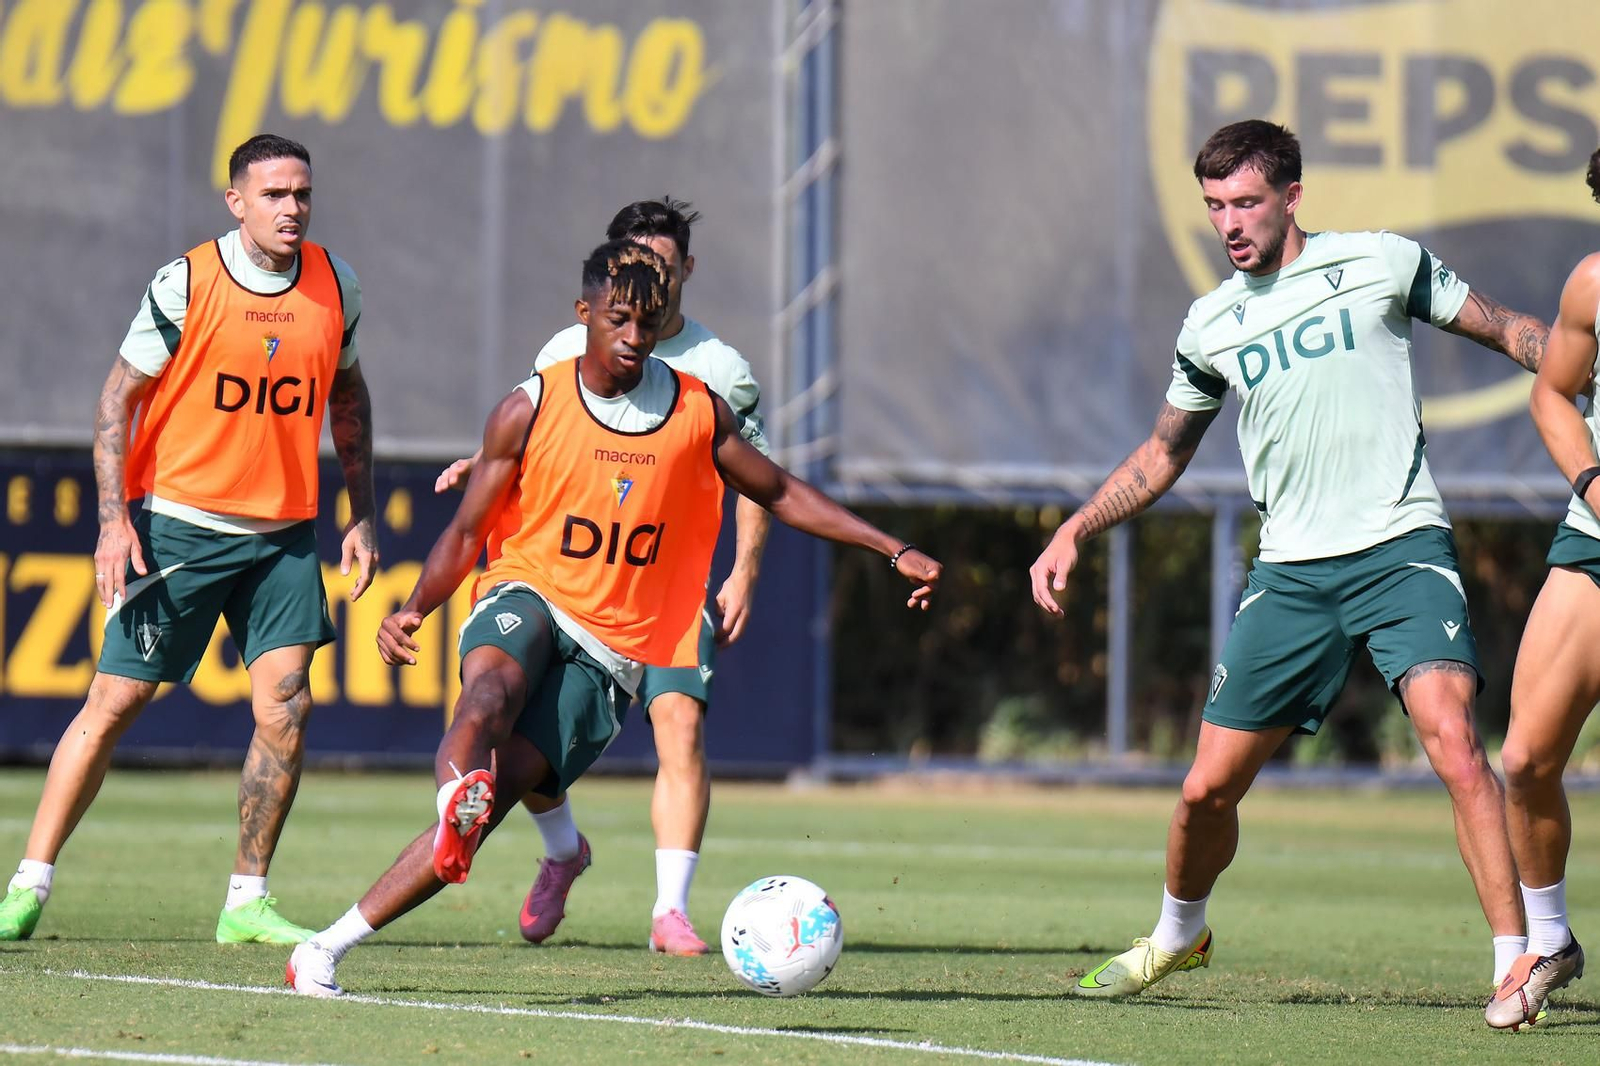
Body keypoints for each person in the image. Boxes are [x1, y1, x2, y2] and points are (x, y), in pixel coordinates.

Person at [286, 240, 937, 996]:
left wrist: (892, 548)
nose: (634, 335)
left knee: (492, 807)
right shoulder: (531, 406)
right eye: (619, 318)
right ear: (585, 315)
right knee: (488, 694)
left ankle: (325, 946)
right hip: (529, 589)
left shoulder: (697, 409)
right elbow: (468, 531)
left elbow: (783, 492)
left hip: (616, 647)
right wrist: (415, 609)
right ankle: (452, 802)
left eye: (649, 321)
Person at [1029, 120, 1547, 1006]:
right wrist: (1076, 527)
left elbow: (1509, 332)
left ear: (1292, 197)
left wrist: (1586, 355)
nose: (1229, 222)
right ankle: (1177, 935)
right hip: (1293, 576)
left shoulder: (1380, 263)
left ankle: (1516, 962)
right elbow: (1163, 454)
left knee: (1457, 745)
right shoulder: (1212, 322)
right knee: (1203, 793)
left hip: (1399, 549)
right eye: (1214, 206)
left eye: (1245, 201)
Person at [0, 134, 377, 945]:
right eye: (274, 194)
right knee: (116, 701)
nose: (292, 208)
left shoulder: (335, 283)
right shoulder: (187, 282)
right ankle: (28, 883)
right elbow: (116, 399)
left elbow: (348, 396)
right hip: (180, 526)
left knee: (286, 705)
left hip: (282, 538)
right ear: (236, 201)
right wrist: (113, 520)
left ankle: (246, 900)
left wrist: (363, 511)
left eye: (302, 194)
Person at [436, 198, 771, 955]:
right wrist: (475, 467)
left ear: (685, 269)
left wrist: (745, 568)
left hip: (672, 589)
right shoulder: (570, 343)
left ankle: (669, 909)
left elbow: (763, 480)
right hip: (575, 578)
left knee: (679, 724)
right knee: (531, 744)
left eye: (661, 261)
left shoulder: (720, 370)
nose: (646, 273)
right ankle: (563, 850)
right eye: (632, 258)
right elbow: (538, 430)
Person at [1484, 149, 1600, 1030]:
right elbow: (1554, 395)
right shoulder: (1593, 284)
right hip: (1595, 545)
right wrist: (1594, 484)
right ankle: (1550, 939)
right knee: (1523, 761)